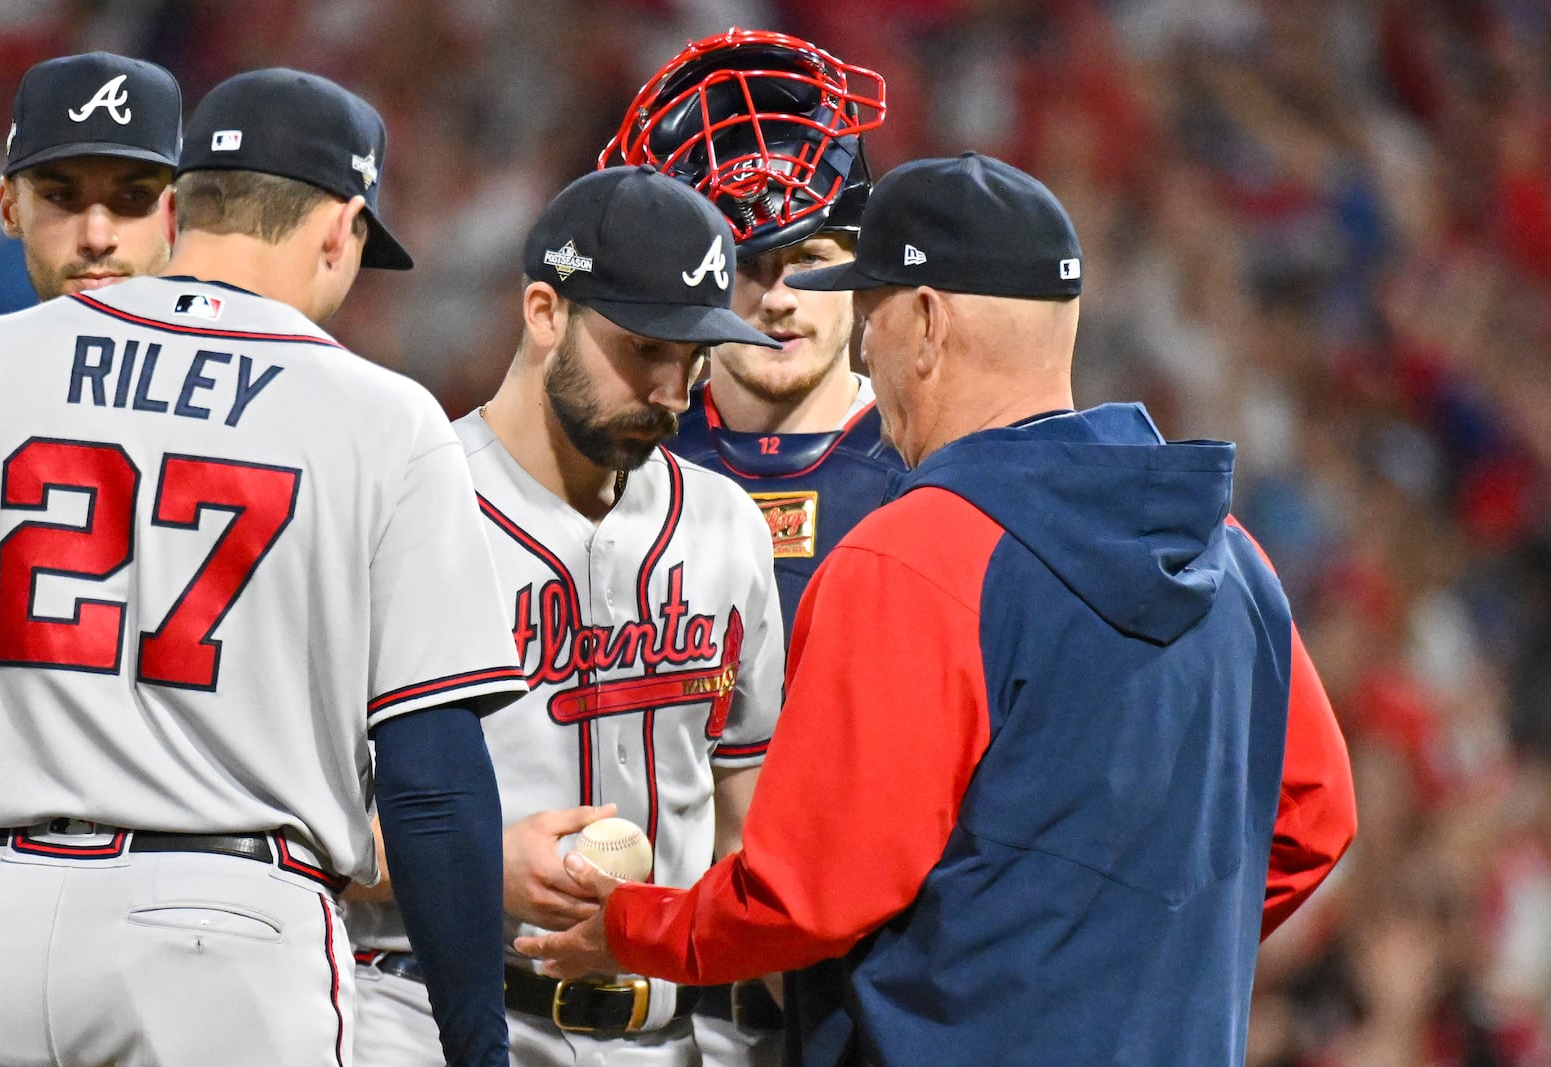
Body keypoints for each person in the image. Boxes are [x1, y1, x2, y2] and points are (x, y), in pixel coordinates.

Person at [516, 153, 1359, 1067]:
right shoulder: (1234, 555)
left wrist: (633, 926)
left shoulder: (912, 554)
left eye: (869, 313)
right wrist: (1132, 955)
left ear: (925, 321)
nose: (864, 351)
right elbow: (1314, 816)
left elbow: (806, 895)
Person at [0, 68, 527, 1067]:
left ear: (176, 209)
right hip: (223, 939)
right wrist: (476, 1043)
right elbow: (432, 784)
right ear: (341, 230)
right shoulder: (381, 416)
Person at [347, 164, 787, 1067]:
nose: (673, 389)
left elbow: (752, 822)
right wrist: (468, 858)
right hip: (421, 1018)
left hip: (673, 1035)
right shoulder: (402, 504)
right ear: (545, 312)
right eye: (644, 347)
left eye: (693, 354)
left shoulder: (727, 526)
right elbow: (301, 815)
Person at [600, 29, 898, 1065]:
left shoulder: (929, 472)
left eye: (808, 263)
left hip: (862, 982)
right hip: (643, 980)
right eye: (748, 265)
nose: (776, 299)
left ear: (858, 271)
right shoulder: (620, 464)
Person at [0, 51, 182, 301]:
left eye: (135, 196)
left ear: (179, 213)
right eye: (61, 196)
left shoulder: (245, 337)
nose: (96, 239)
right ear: (10, 208)